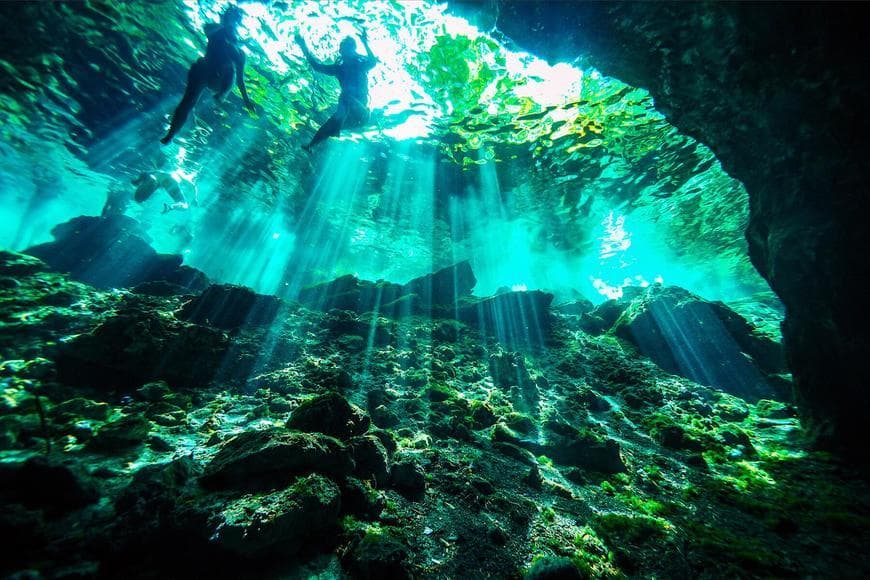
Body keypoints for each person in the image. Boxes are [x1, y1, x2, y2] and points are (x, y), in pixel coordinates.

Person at [161, 5, 254, 144]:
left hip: (218, 80)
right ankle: (171, 134)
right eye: (229, 19)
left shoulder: (239, 53)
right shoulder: (215, 32)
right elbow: (207, 28)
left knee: (232, 71)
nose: (231, 24)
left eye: (234, 21)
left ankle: (220, 95)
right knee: (187, 103)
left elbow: (240, 80)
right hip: (203, 72)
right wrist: (224, 25)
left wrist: (246, 100)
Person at [295, 29, 378, 151]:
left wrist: (365, 42)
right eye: (344, 48)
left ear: (354, 50)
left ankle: (336, 125)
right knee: (330, 124)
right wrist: (303, 46)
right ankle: (311, 146)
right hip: (349, 117)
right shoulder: (339, 69)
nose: (346, 51)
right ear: (340, 51)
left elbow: (372, 62)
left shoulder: (360, 65)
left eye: (349, 48)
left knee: (346, 97)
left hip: (361, 113)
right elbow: (316, 66)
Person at [131, 171, 198, 213]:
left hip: (159, 176)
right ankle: (171, 207)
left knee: (139, 198)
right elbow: (193, 186)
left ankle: (149, 181)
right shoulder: (184, 175)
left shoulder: (175, 169)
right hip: (170, 181)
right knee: (184, 204)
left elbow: (146, 172)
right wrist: (195, 198)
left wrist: (137, 181)